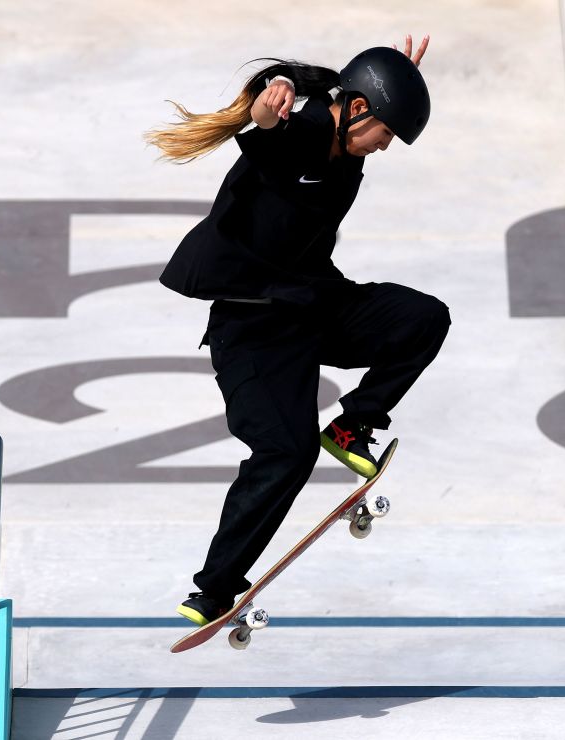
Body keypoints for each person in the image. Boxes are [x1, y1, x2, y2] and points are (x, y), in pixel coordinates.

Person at [146, 35, 451, 626]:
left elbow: (360, 119)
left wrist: (397, 90)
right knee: (286, 452)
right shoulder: (299, 132)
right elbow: (271, 138)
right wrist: (264, 119)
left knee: (422, 317)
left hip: (312, 304)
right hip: (254, 326)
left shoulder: (350, 153)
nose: (382, 147)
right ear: (357, 110)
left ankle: (354, 423)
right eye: (384, 133)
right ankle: (213, 590)